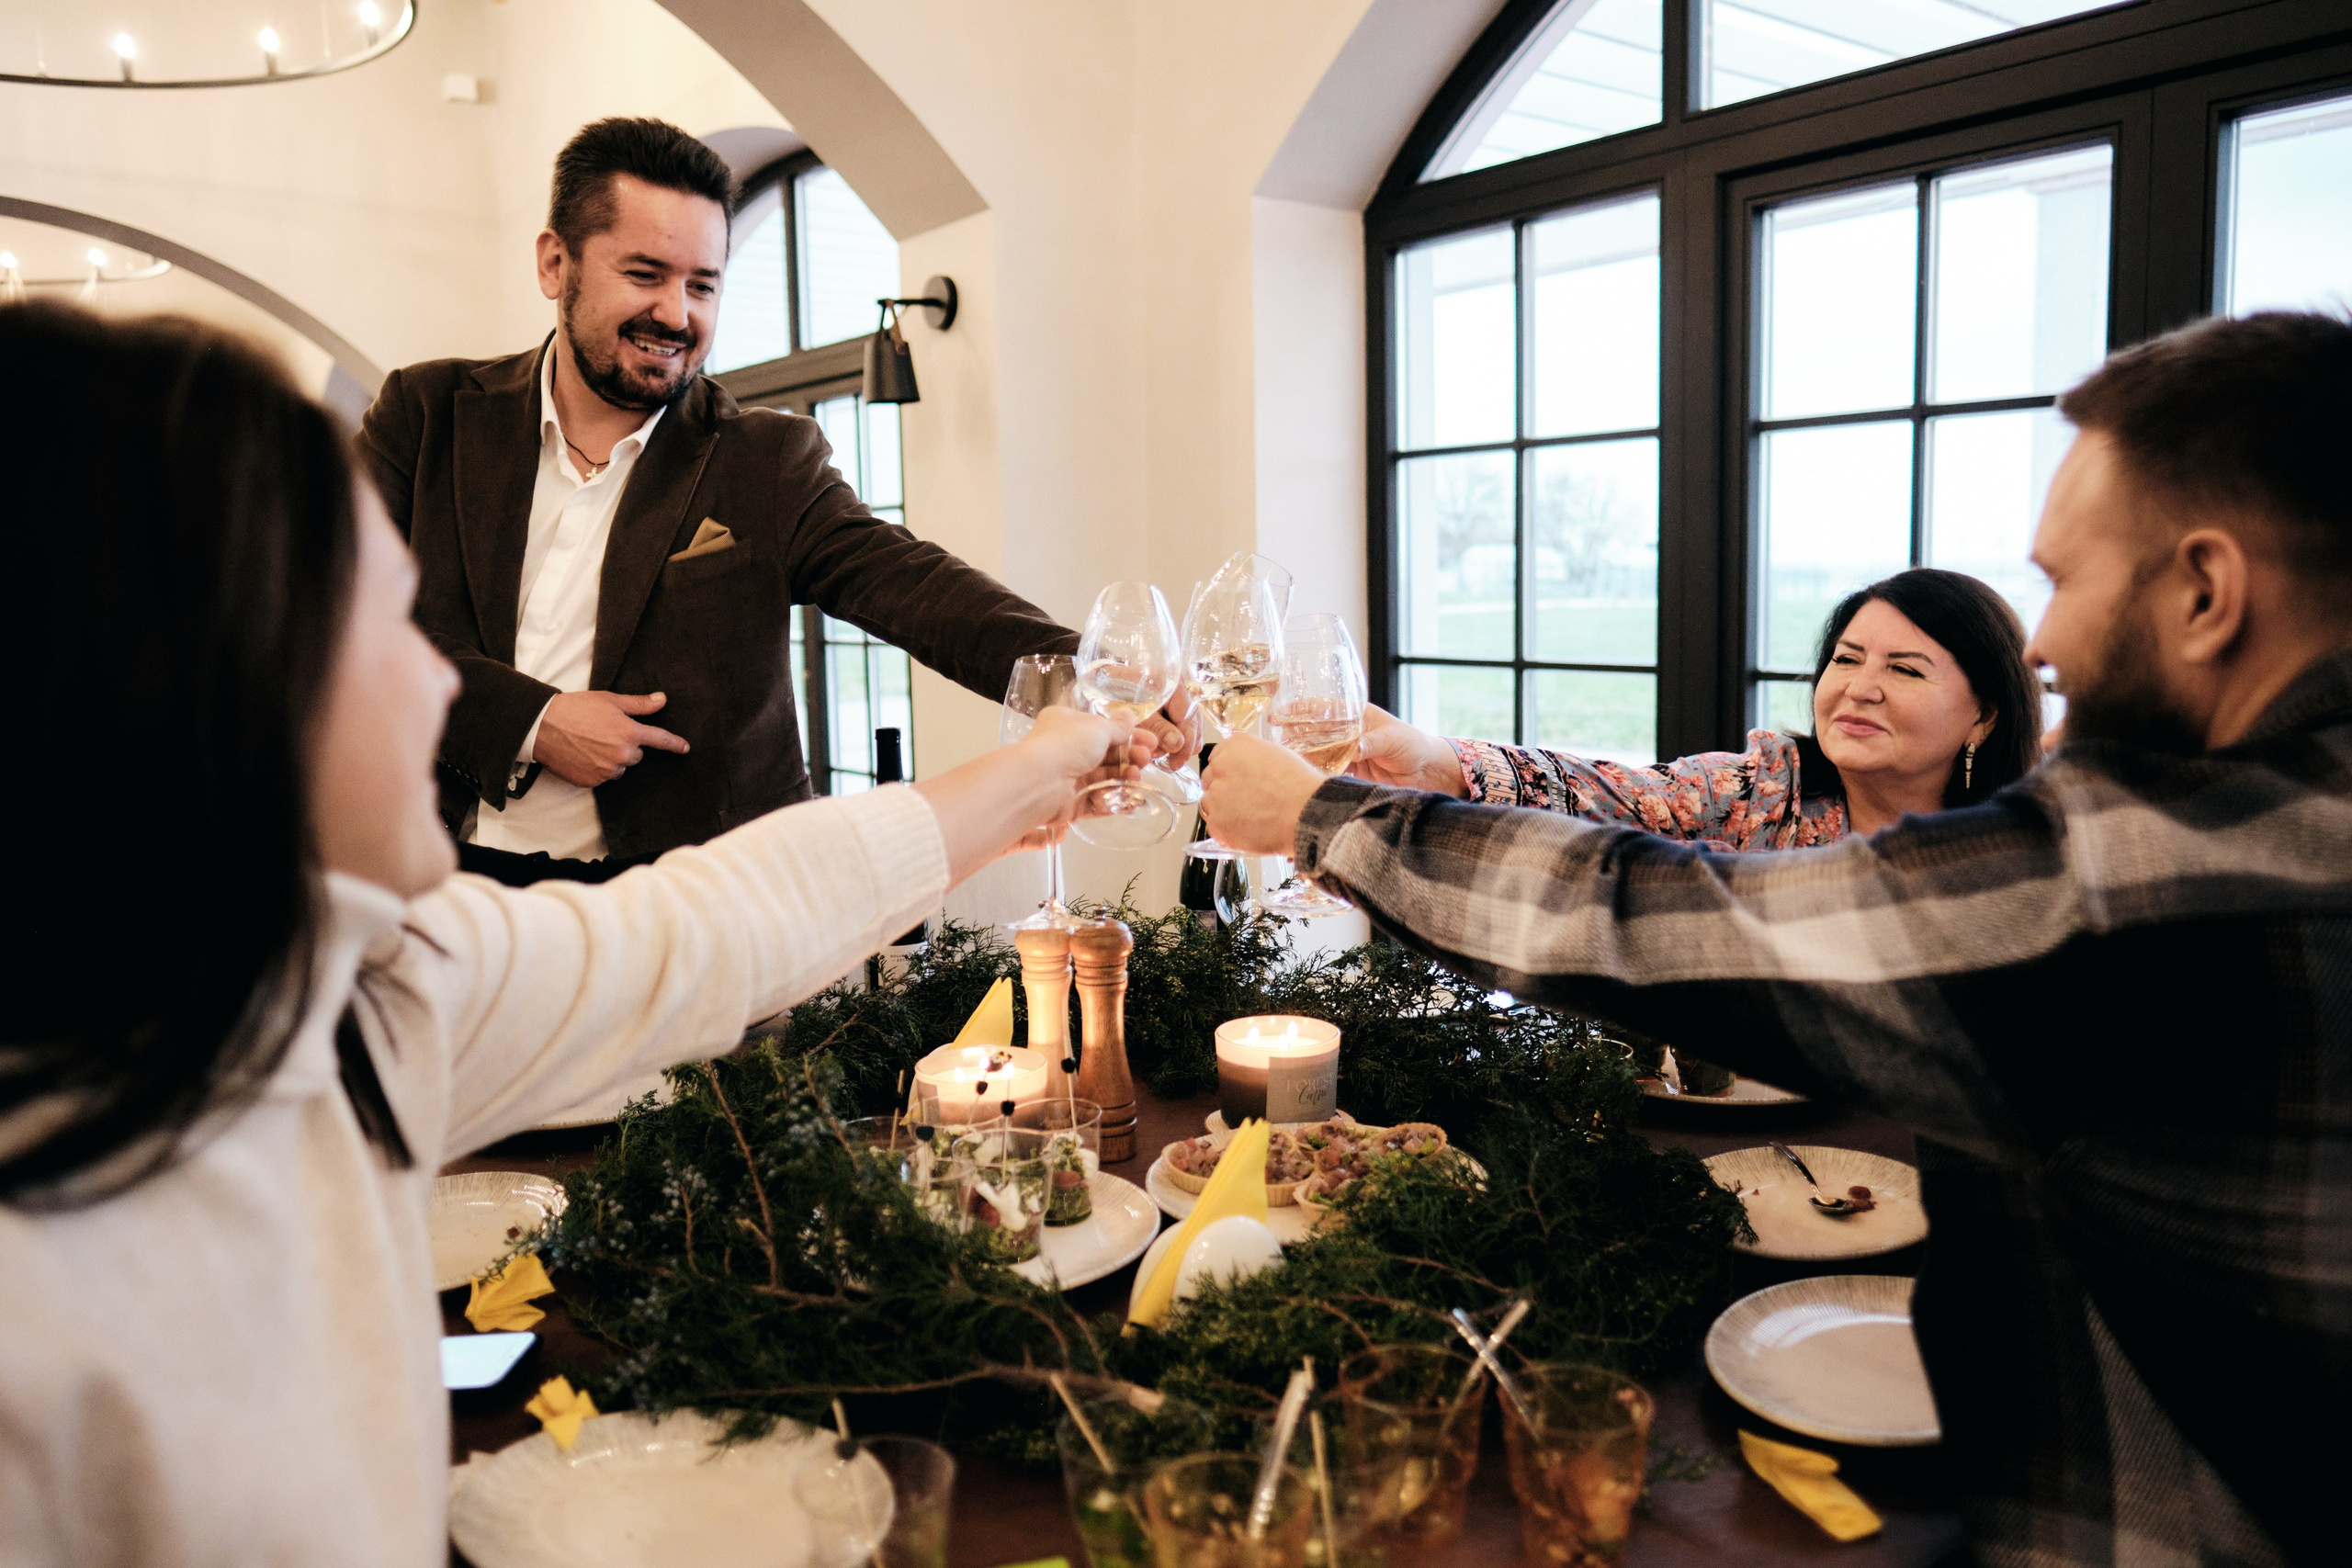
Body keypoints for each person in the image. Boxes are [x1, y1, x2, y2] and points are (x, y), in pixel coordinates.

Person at [1203, 310, 2352, 1566]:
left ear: (2206, 589)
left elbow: (1654, 919)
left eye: (2069, 577)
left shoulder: (2152, 865)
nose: (2046, 640)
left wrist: (1322, 817)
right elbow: (1622, 810)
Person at [0, 301, 1136, 1562]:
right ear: (200, 683)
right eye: (390, 621)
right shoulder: (36, 1317)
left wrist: (1045, 761)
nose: (446, 680)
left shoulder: (348, 981)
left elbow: (702, 929)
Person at [359, 118, 1183, 886]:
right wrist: (534, 721)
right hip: (444, 871)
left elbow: (910, 584)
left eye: (703, 285)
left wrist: (1093, 675)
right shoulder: (426, 415)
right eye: (644, 275)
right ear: (555, 263)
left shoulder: (763, 459)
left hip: (698, 896)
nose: (675, 315)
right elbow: (339, 622)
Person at [1348, 565, 2041, 848]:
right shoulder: (1762, 792)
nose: (1861, 686)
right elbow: (1610, 793)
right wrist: (1436, 759)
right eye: (1848, 658)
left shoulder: (2018, 852)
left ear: (1984, 714)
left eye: (1906, 668)